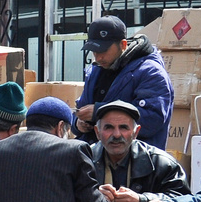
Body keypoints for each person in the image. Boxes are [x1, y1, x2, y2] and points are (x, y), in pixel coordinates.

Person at [74, 16, 174, 148]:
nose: (98, 57)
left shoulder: (150, 72)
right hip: (94, 158)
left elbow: (152, 120)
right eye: (94, 51)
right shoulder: (95, 70)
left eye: (103, 50)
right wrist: (78, 124)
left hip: (136, 161)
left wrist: (99, 112)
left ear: (123, 45)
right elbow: (80, 109)